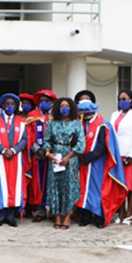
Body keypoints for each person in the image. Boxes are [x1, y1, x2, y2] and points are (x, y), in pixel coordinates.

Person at [76, 101, 128, 229]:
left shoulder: (103, 125)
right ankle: (85, 215)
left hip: (98, 164)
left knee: (97, 189)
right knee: (83, 189)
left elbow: (103, 146)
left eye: (87, 113)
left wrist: (89, 157)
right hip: (83, 164)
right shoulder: (81, 124)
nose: (85, 115)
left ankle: (99, 216)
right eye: (83, 113)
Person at [42, 98, 86, 229]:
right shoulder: (52, 123)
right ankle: (56, 216)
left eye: (67, 106)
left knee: (69, 187)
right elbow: (47, 141)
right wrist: (49, 154)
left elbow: (81, 143)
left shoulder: (77, 124)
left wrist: (68, 157)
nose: (64, 109)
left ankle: (67, 215)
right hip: (55, 156)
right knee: (55, 186)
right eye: (61, 106)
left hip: (70, 157)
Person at [0, 93, 29, 227]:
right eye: (7, 104)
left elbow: (24, 139)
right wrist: (3, 150)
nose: (10, 106)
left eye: (13, 104)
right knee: (0, 186)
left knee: (14, 187)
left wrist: (14, 150)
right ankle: (0, 215)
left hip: (16, 159)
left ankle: (11, 216)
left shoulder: (21, 121)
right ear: (2, 105)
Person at [109, 90, 132, 225]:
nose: (122, 102)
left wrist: (131, 155)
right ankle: (121, 212)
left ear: (131, 100)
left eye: (125, 99)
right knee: (119, 184)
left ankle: (129, 213)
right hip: (117, 154)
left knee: (131, 185)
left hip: (131, 154)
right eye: (120, 99)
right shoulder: (114, 114)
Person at [27, 89, 56, 222]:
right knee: (37, 183)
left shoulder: (57, 116)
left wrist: (51, 152)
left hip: (54, 155)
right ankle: (41, 211)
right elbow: (28, 135)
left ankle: (54, 210)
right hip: (37, 155)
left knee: (53, 182)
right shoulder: (32, 116)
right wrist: (37, 150)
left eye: (47, 101)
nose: (44, 103)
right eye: (42, 101)